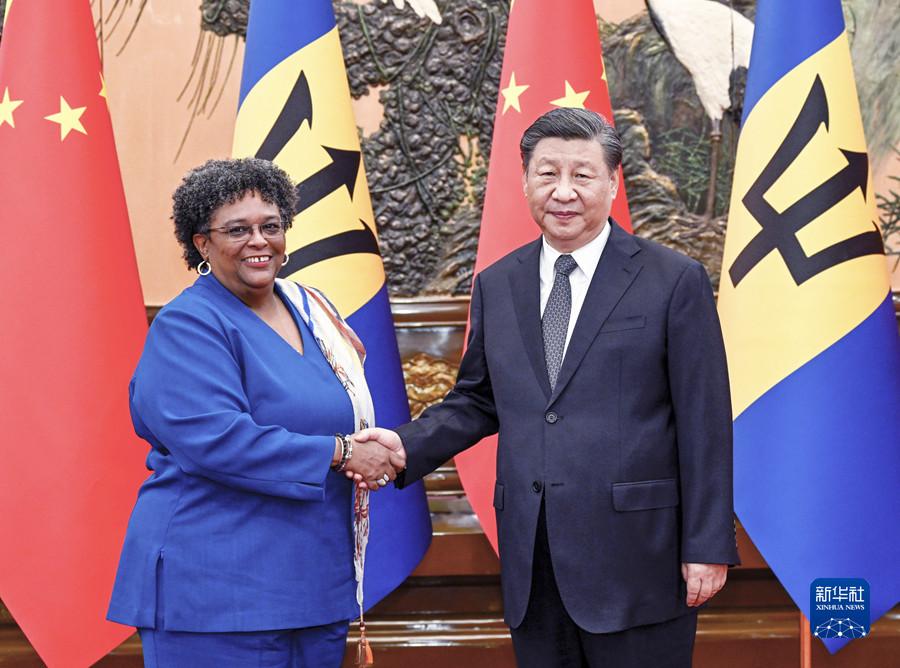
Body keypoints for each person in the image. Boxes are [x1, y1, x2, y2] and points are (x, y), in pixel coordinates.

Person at [356, 108, 739, 667]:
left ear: (613, 182)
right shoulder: (498, 283)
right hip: (534, 561)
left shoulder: (673, 280)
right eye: (547, 173)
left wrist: (706, 545)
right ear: (524, 181)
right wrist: (403, 445)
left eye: (582, 175)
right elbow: (479, 398)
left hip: (640, 559)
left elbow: (704, 422)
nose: (563, 192)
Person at [107, 158, 402, 667]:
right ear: (202, 243)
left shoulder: (311, 311)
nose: (259, 241)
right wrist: (341, 453)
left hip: (313, 584)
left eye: (271, 226)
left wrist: (374, 448)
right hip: (217, 591)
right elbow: (218, 440)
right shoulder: (188, 325)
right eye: (237, 230)